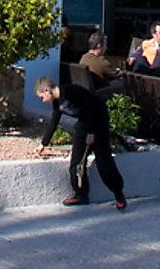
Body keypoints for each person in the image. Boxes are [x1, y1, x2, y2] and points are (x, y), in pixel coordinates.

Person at [36, 74, 126, 210]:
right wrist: (44, 144)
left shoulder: (70, 91)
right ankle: (81, 194)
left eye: (42, 97)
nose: (42, 100)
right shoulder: (57, 102)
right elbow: (54, 121)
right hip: (83, 124)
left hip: (98, 122)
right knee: (76, 164)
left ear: (47, 90)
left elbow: (90, 108)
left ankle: (118, 194)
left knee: (103, 161)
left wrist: (91, 133)